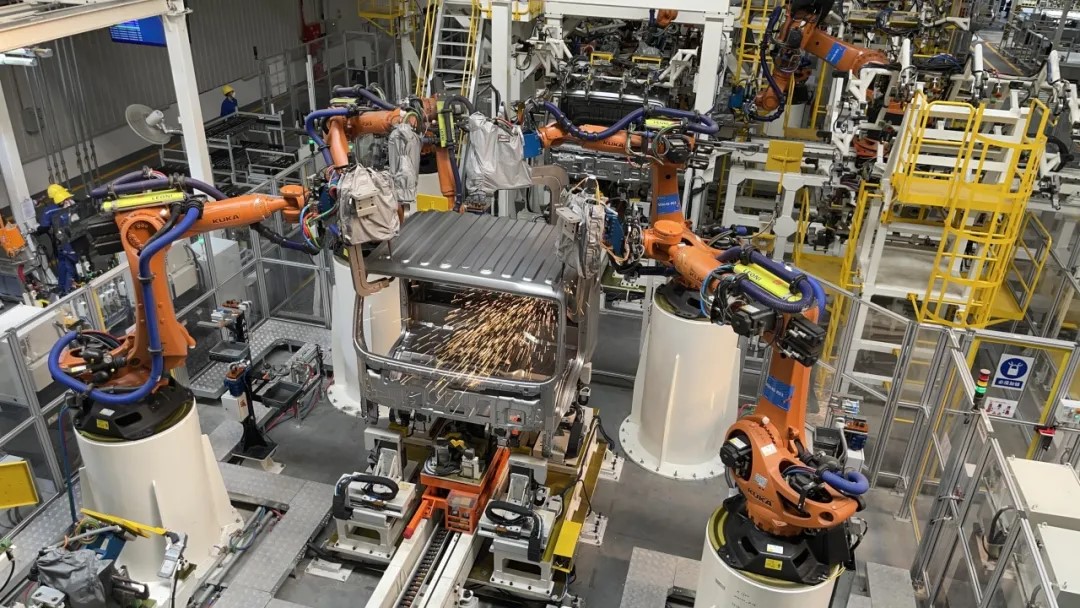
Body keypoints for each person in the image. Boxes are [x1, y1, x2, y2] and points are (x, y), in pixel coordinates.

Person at [37, 184, 81, 296]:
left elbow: (43, 227)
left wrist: (36, 230)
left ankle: (66, 290)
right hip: (76, 237)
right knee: (66, 263)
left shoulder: (48, 211)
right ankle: (67, 287)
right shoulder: (74, 203)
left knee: (66, 264)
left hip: (62, 242)